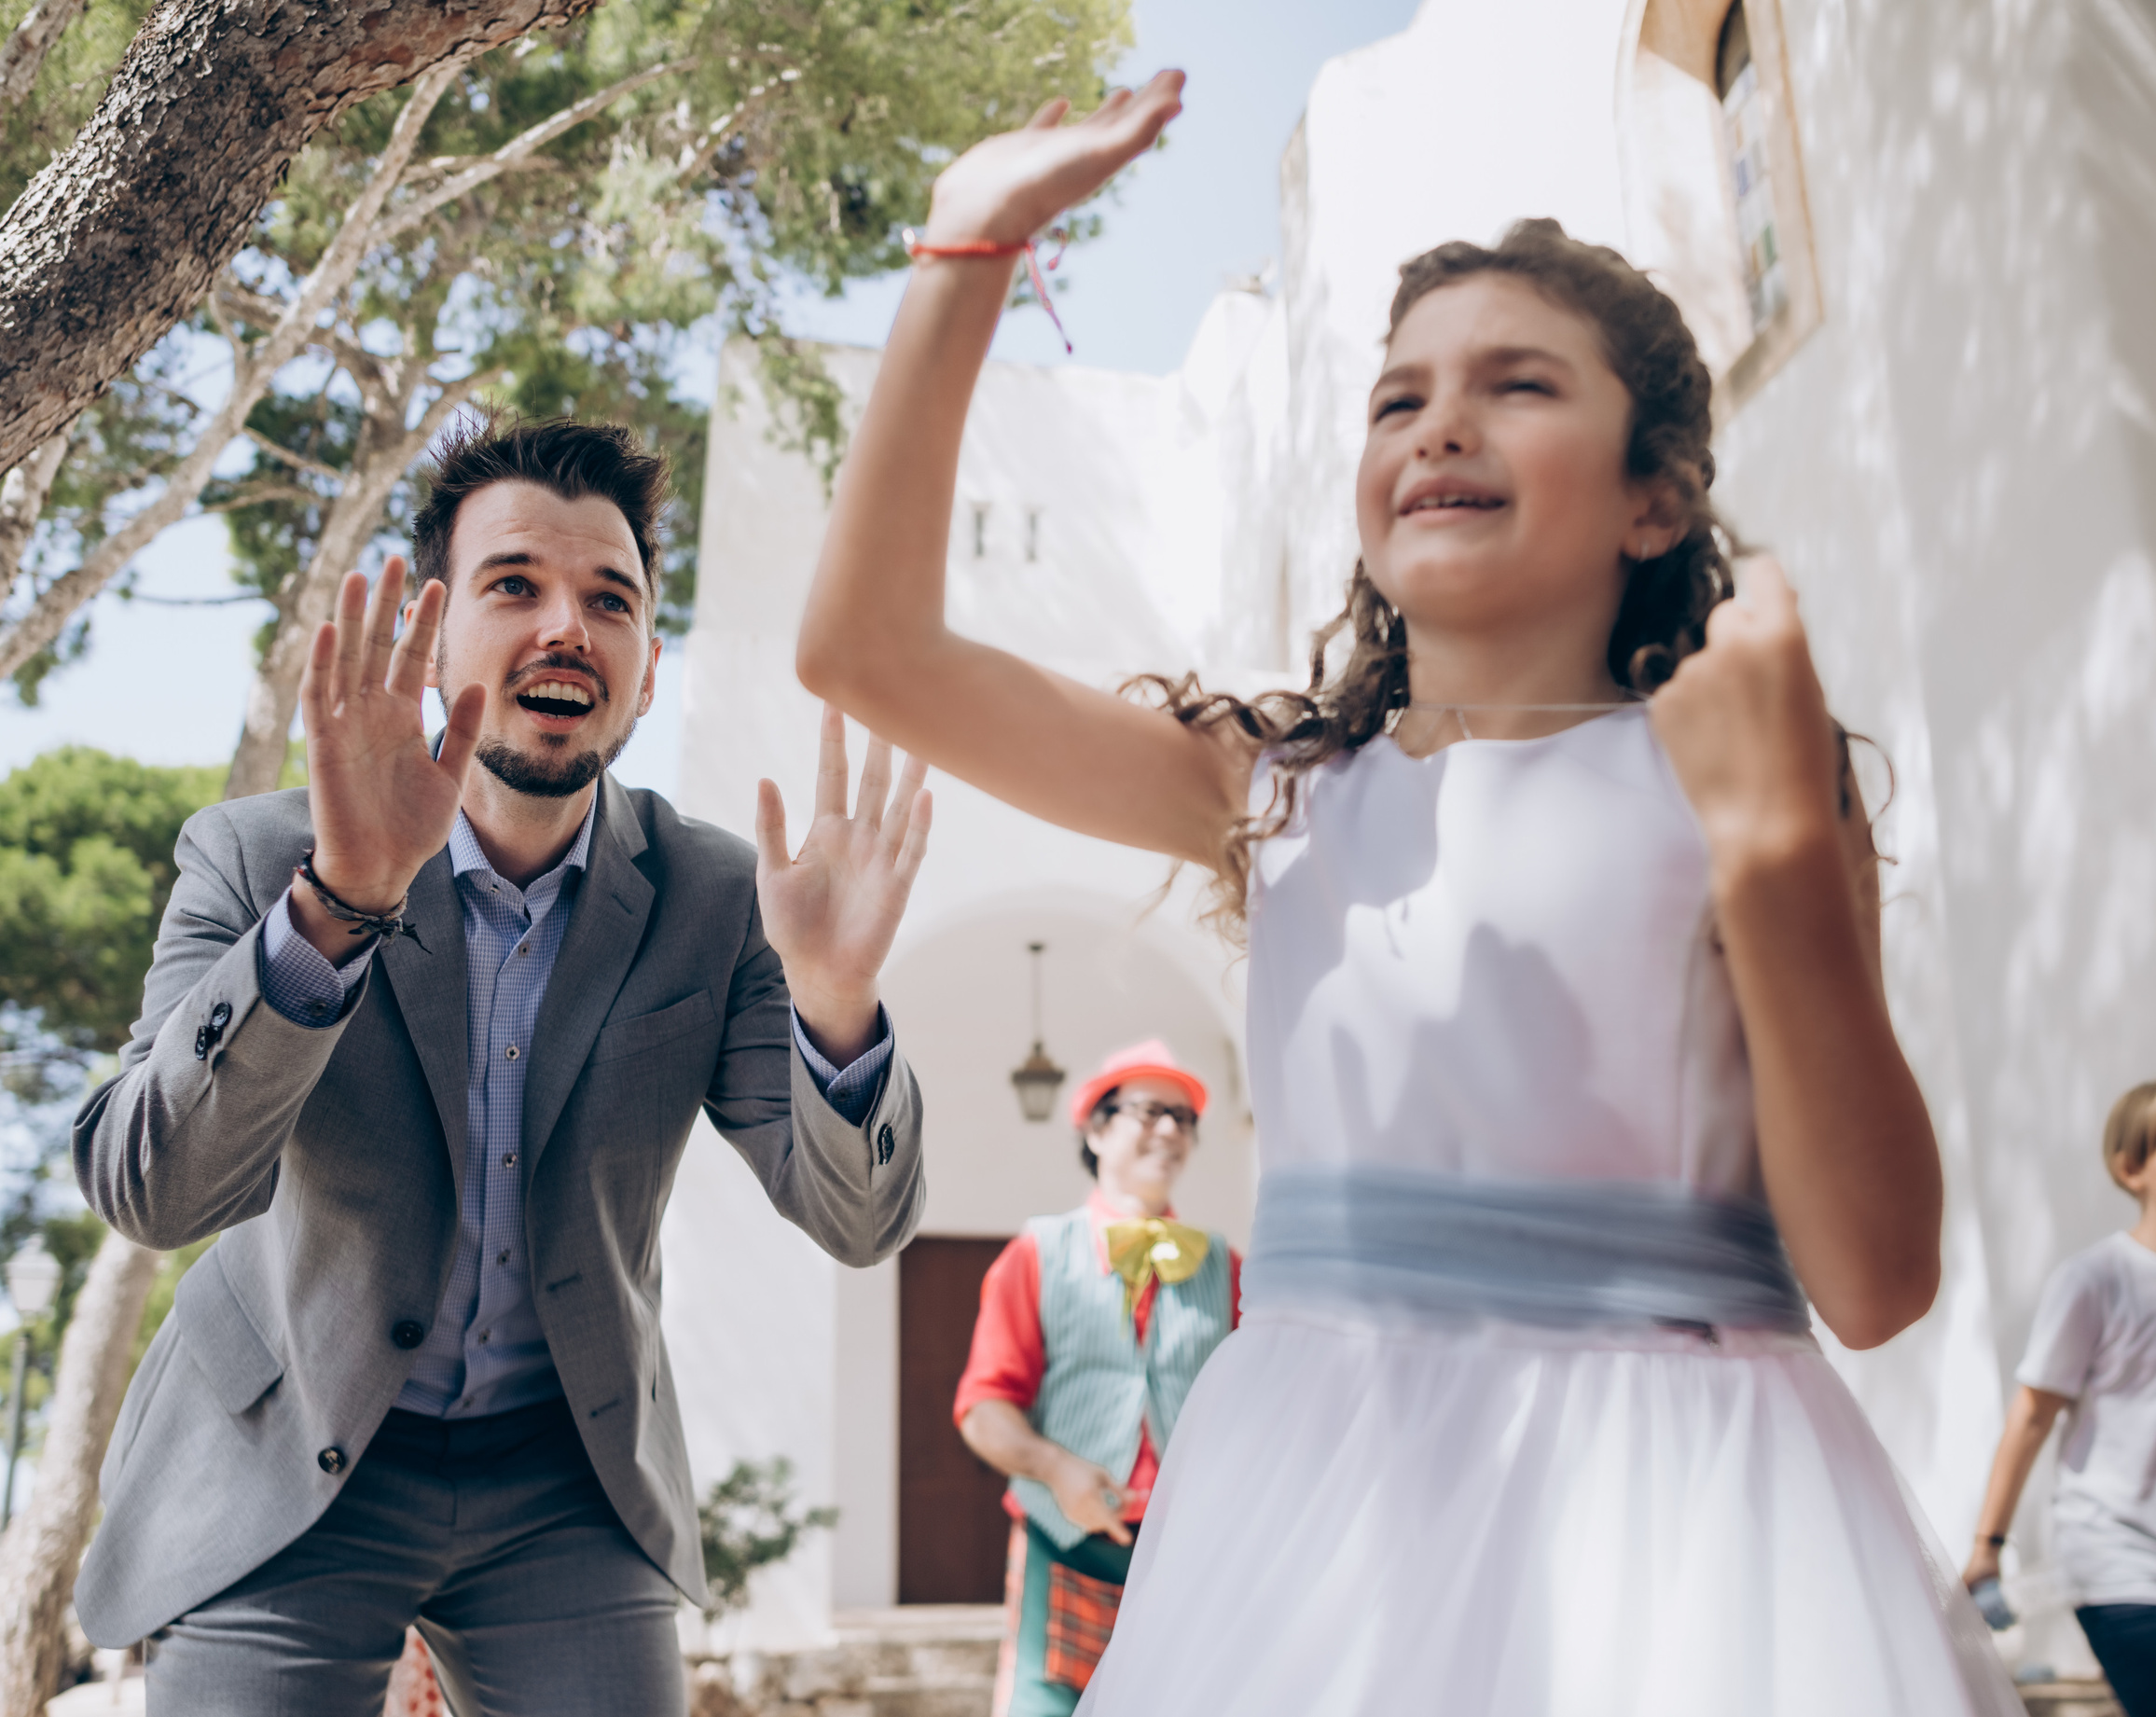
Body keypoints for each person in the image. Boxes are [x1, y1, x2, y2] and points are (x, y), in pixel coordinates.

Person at [794, 73, 2021, 1715]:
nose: (1442, 424)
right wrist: (969, 243)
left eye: (1519, 387)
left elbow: (1875, 1282)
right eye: (1398, 399)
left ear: (1657, 498)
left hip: (1681, 1534)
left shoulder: (1745, 784)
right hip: (1314, 1525)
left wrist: (1780, 847)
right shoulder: (1277, 791)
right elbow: (867, 653)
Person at [70, 417, 934, 1715]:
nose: (567, 629)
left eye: (612, 601)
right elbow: (152, 1190)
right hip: (283, 1450)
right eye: (515, 585)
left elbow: (860, 1221)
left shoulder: (718, 901)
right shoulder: (256, 857)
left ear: (644, 672)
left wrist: (840, 1001)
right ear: (433, 634)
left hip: (565, 1476)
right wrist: (337, 905)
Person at [954, 1041, 1241, 1715]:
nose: (1170, 1129)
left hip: (1189, 1550)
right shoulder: (1037, 1252)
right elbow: (984, 1405)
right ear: (1095, 1128)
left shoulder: (1226, 1266)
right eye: (1148, 1111)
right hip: (1066, 1545)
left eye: (1183, 1117)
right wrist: (1056, 1467)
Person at [1966, 1084, 2156, 1715]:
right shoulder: (2096, 1279)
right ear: (2132, 1166)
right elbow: (2032, 1416)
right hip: (2117, 1560)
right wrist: (1987, 1547)